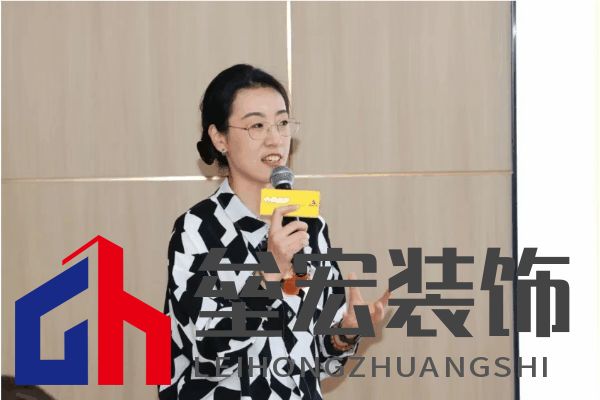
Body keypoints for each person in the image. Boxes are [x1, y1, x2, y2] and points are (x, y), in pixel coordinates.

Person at [159, 64, 389, 400]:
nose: (275, 138)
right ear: (219, 138)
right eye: (257, 125)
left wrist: (346, 332)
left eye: (282, 123)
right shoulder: (198, 228)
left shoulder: (308, 225)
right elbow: (209, 353)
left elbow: (319, 362)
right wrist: (270, 272)